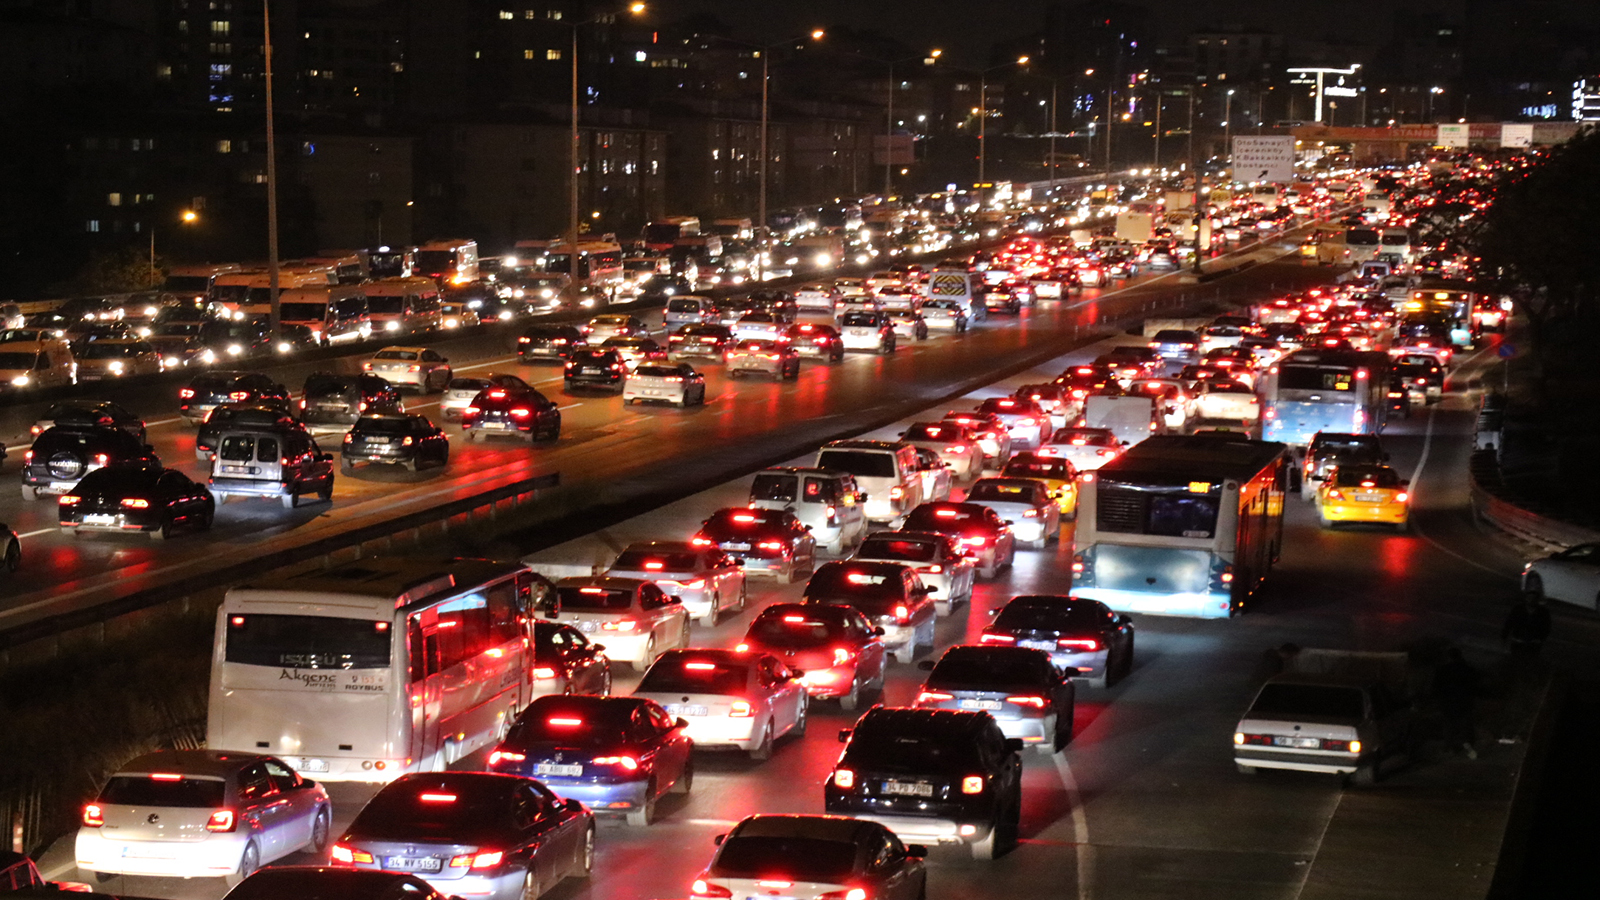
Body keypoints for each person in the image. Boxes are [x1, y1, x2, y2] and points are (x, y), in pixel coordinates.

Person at [1434, 647, 1480, 759]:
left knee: (1450, 726)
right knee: (1466, 728)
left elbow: (1436, 688)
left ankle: (1450, 748)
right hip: (1464, 703)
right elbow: (1475, 687)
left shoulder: (1443, 670)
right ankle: (1468, 751)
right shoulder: (1468, 669)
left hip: (1448, 703)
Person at [1501, 592, 1552, 658]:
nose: (1531, 600)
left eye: (1534, 598)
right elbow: (1509, 623)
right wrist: (1504, 638)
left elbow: (1546, 626)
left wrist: (1541, 639)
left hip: (1533, 642)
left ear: (1537, 600)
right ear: (1526, 598)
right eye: (1529, 598)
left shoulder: (1543, 611)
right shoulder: (1518, 609)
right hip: (1518, 640)